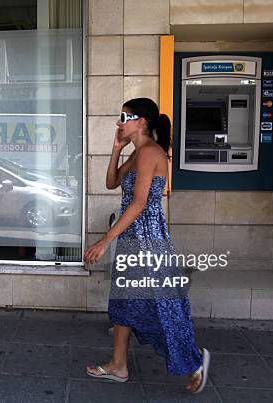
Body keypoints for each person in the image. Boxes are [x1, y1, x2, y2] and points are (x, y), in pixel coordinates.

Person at [83, 98, 210, 393]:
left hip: (148, 240)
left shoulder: (150, 152)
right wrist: (116, 149)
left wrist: (105, 240)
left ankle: (194, 362)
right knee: (124, 302)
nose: (119, 121)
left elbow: (140, 203)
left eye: (125, 116)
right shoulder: (138, 151)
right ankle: (118, 365)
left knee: (164, 306)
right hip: (133, 238)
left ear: (142, 122)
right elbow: (112, 182)